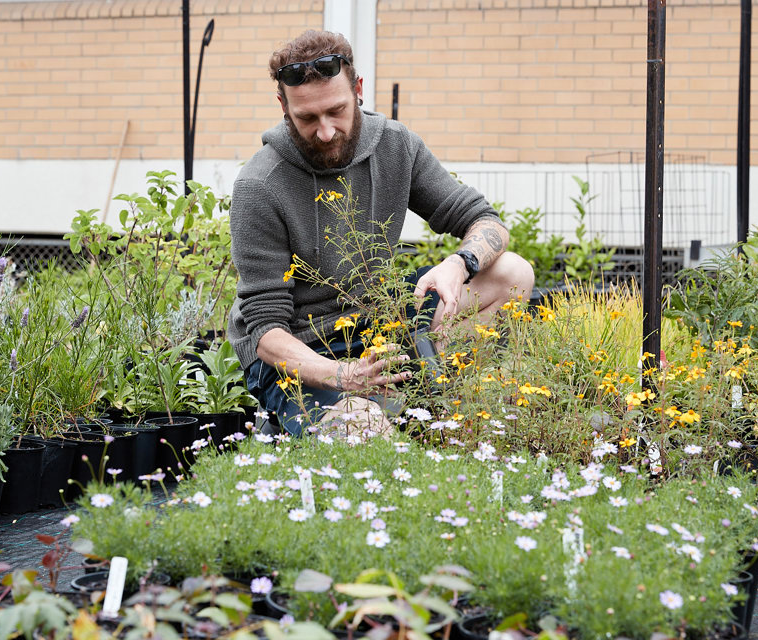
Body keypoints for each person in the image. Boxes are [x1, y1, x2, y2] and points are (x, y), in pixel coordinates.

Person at [226, 30, 534, 436]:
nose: (325, 131)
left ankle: (428, 407)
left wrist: (460, 265)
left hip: (379, 322)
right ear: (283, 106)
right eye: (307, 118)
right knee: (361, 430)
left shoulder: (395, 146)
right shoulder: (260, 185)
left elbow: (486, 221)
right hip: (303, 348)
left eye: (336, 110)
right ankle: (370, 415)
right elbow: (266, 332)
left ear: (357, 90)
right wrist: (342, 376)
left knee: (512, 274)